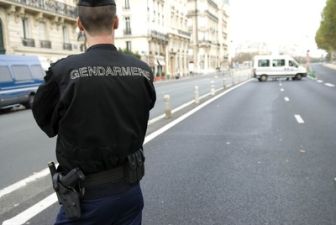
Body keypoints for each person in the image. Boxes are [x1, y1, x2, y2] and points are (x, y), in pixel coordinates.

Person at [32, 0, 156, 224]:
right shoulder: (143, 71)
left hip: (85, 199)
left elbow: (45, 121)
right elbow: (145, 107)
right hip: (129, 192)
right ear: (116, 22)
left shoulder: (63, 72)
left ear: (79, 24)